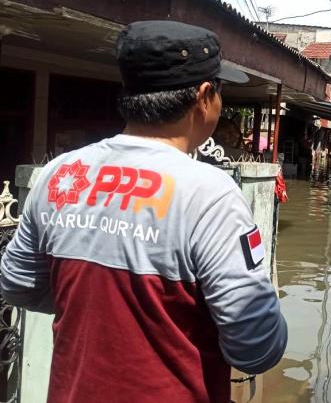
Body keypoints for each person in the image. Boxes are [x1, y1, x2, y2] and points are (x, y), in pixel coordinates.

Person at [0, 21, 288, 402]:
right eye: (220, 92)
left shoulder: (60, 173)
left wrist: (93, 308)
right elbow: (257, 347)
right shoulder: (210, 194)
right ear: (204, 97)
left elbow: (17, 285)